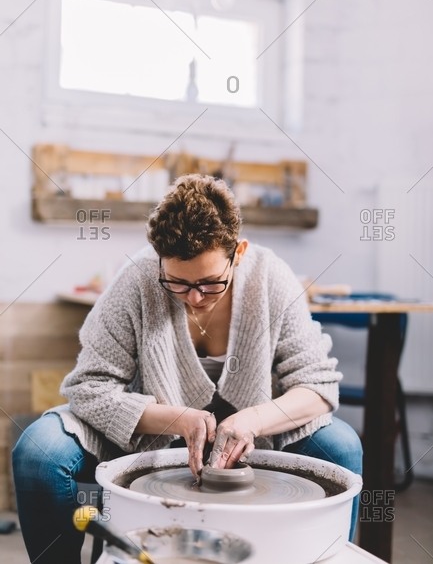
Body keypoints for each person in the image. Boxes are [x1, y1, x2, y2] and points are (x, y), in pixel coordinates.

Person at [13, 174, 362, 564]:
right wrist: (176, 418)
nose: (194, 298)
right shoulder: (139, 280)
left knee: (342, 446)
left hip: (257, 428)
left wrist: (253, 421)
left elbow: (316, 385)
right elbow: (89, 387)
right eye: (177, 283)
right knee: (38, 451)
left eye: (212, 283)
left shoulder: (270, 277)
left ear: (239, 253)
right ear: (159, 259)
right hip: (153, 430)